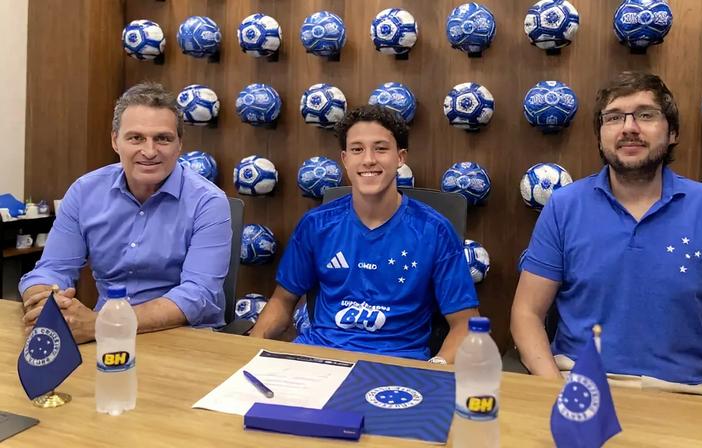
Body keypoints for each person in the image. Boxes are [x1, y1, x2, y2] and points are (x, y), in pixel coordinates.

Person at [510, 71, 702, 402]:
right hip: (577, 386)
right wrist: (558, 393)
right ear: (599, 136)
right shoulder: (563, 207)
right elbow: (526, 314)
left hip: (686, 395)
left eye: (645, 114)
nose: (629, 127)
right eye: (614, 117)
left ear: (672, 133)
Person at [249, 105, 479, 363]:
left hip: (397, 364)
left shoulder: (434, 230)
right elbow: (282, 301)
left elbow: (465, 324)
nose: (368, 159)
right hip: (319, 357)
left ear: (400, 158)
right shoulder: (316, 224)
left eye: (380, 148)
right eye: (357, 149)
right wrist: (247, 353)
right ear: (345, 159)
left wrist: (434, 369)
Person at [20, 82, 232, 343]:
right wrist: (48, 307)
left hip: (184, 338)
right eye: (136, 138)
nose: (150, 151)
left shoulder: (208, 202)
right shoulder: (85, 191)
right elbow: (51, 269)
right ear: (115, 141)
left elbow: (198, 296)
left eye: (163, 139)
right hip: (101, 338)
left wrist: (104, 325)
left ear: (179, 146)